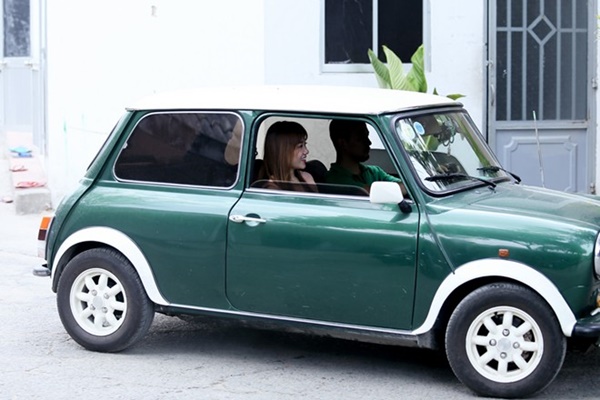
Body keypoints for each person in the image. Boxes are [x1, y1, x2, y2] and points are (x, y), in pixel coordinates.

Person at [325, 119, 405, 194]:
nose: (369, 142)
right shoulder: (335, 180)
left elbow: (406, 186)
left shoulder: (374, 172)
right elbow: (367, 192)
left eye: (367, 136)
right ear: (343, 143)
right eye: (360, 138)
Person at [259, 121, 317, 192]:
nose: (306, 151)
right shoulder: (271, 188)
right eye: (300, 146)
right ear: (283, 151)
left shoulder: (307, 177)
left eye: (305, 144)